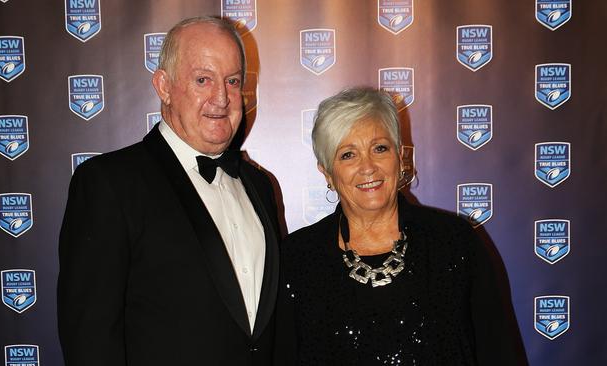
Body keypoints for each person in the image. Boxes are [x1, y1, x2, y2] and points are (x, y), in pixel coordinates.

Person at [58, 16, 284, 365]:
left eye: (232, 80)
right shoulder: (110, 184)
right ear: (164, 86)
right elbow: (90, 339)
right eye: (202, 80)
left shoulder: (260, 186)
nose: (221, 98)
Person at [280, 87, 527, 365]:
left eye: (380, 148)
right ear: (327, 172)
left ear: (400, 157)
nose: (368, 167)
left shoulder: (454, 243)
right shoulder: (298, 259)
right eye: (348, 154)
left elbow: (498, 352)